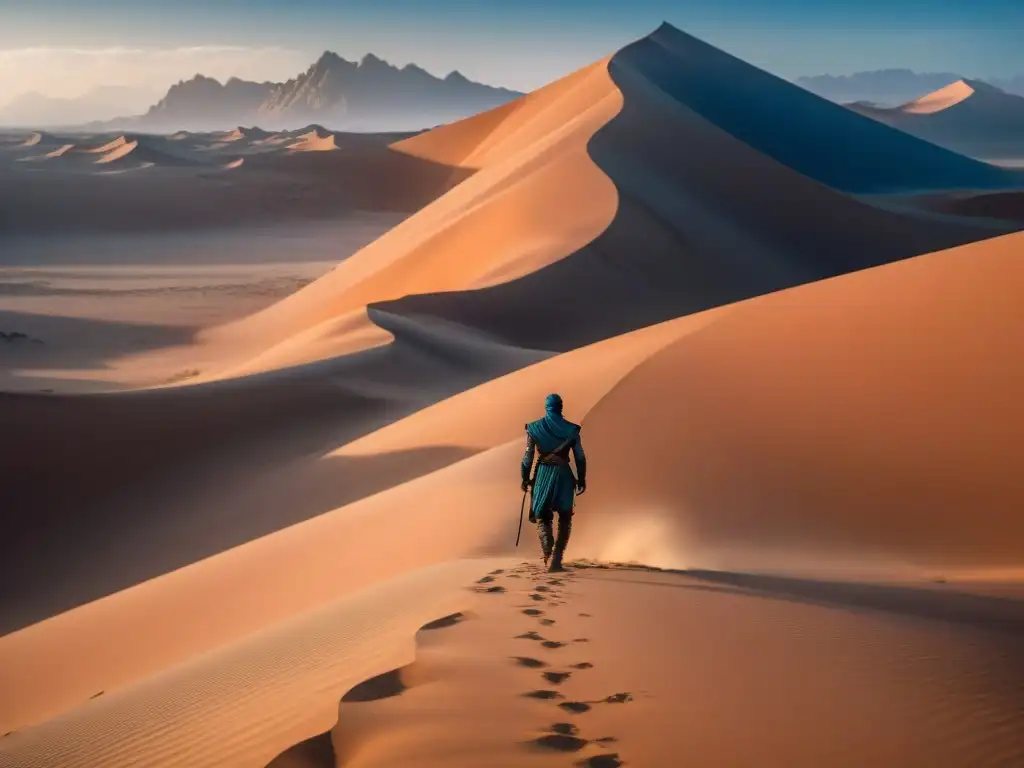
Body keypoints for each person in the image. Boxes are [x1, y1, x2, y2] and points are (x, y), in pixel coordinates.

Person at [521, 393, 586, 572]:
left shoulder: (534, 428)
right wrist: (581, 478)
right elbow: (580, 456)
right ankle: (557, 557)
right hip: (564, 474)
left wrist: (525, 477)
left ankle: (548, 554)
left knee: (542, 515)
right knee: (565, 517)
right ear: (560, 407)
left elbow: (527, 457)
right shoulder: (572, 430)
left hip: (543, 473)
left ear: (546, 407)